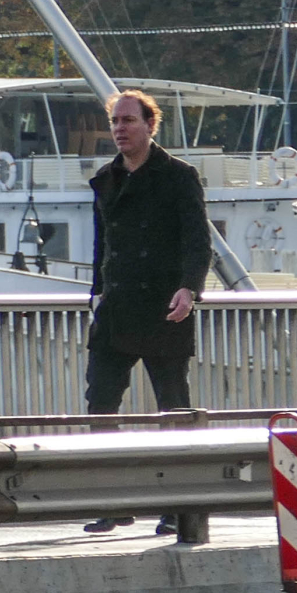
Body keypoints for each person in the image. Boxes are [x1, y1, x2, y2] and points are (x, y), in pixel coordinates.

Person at [81, 88, 212, 533]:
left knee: (172, 409)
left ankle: (179, 507)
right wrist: (96, 293)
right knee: (100, 405)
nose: (120, 129)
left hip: (163, 308)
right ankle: (116, 500)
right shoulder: (105, 178)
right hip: (115, 310)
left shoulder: (178, 176)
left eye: (129, 121)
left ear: (150, 125)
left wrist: (189, 290)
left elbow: (198, 241)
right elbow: (104, 246)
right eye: (115, 121)